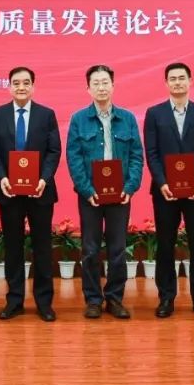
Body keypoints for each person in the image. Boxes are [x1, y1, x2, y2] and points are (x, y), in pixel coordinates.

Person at [144, 62, 194, 320]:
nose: (177, 82)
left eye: (182, 78)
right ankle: (166, 297)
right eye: (173, 78)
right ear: (166, 83)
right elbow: (151, 153)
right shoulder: (154, 114)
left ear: (190, 81)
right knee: (165, 245)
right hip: (165, 192)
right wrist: (161, 183)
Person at [0, 66, 62, 322]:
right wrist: (2, 178)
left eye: (26, 82)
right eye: (16, 83)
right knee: (13, 247)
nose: (21, 87)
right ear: (9, 87)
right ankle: (14, 300)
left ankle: (44, 302)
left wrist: (44, 179)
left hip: (40, 191)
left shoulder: (46, 114)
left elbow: (54, 150)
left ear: (33, 86)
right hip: (8, 191)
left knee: (42, 247)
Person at [65, 64, 144, 320]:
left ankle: (115, 299)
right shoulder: (78, 119)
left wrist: (130, 187)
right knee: (90, 249)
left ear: (113, 86)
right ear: (88, 89)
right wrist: (86, 190)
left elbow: (137, 155)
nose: (101, 87)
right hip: (90, 195)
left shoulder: (127, 119)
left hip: (120, 195)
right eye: (96, 83)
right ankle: (93, 300)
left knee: (118, 249)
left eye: (105, 82)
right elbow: (74, 158)